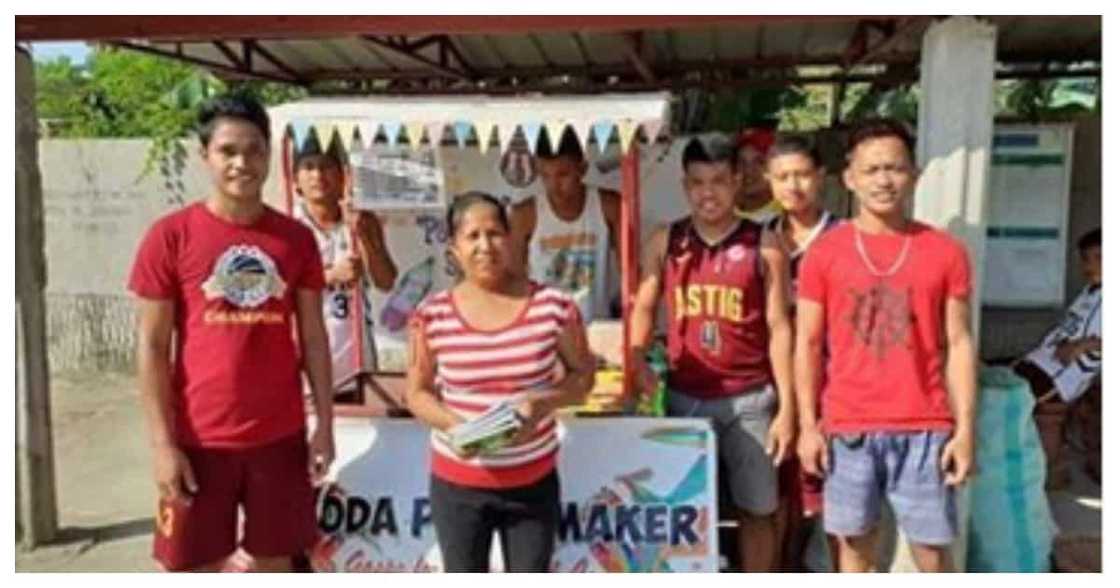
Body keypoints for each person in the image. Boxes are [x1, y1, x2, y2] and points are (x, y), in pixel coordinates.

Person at [129, 94, 334, 572]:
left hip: (280, 438)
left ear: (269, 154)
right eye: (228, 151)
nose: (243, 163)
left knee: (275, 564)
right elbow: (153, 347)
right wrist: (163, 445)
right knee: (191, 566)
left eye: (255, 150)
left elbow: (314, 338)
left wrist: (322, 425)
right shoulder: (170, 236)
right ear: (206, 156)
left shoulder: (296, 239)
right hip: (197, 440)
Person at [794, 118, 978, 573]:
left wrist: (966, 429)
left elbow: (958, 342)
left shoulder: (945, 251)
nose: (883, 180)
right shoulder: (825, 252)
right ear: (850, 179)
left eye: (894, 168)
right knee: (853, 547)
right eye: (871, 169)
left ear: (913, 175)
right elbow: (808, 343)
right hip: (847, 426)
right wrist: (808, 426)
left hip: (925, 426)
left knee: (933, 550)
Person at [629, 133, 796, 572]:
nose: (709, 192)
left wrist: (789, 409)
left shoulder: (765, 244)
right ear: (685, 185)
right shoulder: (666, 240)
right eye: (698, 182)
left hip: (751, 399)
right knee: (682, 508)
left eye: (719, 181)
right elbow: (643, 306)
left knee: (757, 509)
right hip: (684, 396)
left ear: (738, 182)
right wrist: (635, 361)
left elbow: (781, 328)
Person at [405, 192, 594, 572]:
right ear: (454, 248)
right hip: (458, 488)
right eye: (472, 236)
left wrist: (541, 403)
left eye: (494, 233)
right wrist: (459, 428)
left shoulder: (553, 307)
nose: (485, 246)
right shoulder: (432, 315)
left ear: (511, 239)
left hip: (532, 484)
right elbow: (417, 392)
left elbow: (584, 378)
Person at [760, 134, 841, 571]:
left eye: (803, 175)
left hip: (829, 381)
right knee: (772, 495)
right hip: (767, 382)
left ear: (822, 177)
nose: (794, 186)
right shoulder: (761, 240)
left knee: (826, 494)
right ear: (768, 182)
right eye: (783, 177)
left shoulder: (843, 237)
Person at [291, 135, 398, 399]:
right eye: (309, 167)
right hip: (302, 364)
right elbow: (278, 287)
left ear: (343, 175)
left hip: (355, 362)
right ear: (296, 181)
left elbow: (385, 281)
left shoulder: (361, 221)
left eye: (327, 166)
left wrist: (363, 235)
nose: (318, 175)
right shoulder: (287, 227)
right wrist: (328, 276)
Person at [1013, 228, 1102, 488]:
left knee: (1030, 403)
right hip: (1044, 361)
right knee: (998, 375)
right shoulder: (1090, 292)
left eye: (1099, 257)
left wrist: (1083, 346)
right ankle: (1045, 472)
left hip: (1063, 376)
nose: (1090, 265)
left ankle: (1046, 476)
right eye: (1086, 259)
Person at [509, 128, 622, 322]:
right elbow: (513, 278)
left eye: (563, 175)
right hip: (545, 328)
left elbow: (628, 270)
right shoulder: (525, 214)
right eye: (545, 176)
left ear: (582, 169)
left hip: (597, 324)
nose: (554, 186)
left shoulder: (609, 205)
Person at [735, 127, 784, 225]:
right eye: (741, 162)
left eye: (759, 162)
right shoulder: (722, 213)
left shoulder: (787, 218)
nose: (749, 171)